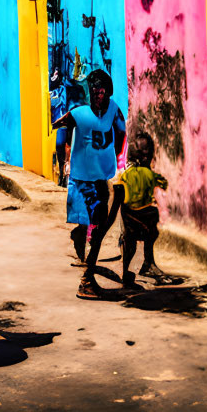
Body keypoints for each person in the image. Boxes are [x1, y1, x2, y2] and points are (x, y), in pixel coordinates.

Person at [53, 69, 126, 300]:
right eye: (97, 92)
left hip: (92, 177)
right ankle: (86, 279)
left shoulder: (81, 112)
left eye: (101, 92)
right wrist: (111, 154)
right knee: (95, 225)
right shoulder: (93, 111)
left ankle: (86, 269)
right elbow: (121, 133)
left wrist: (63, 164)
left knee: (93, 225)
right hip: (86, 178)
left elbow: (59, 137)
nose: (99, 96)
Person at [109, 131, 170, 290]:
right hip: (146, 222)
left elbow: (119, 199)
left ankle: (129, 276)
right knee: (151, 224)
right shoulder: (149, 174)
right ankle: (147, 265)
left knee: (130, 246)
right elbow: (163, 184)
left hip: (129, 220)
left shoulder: (125, 175)